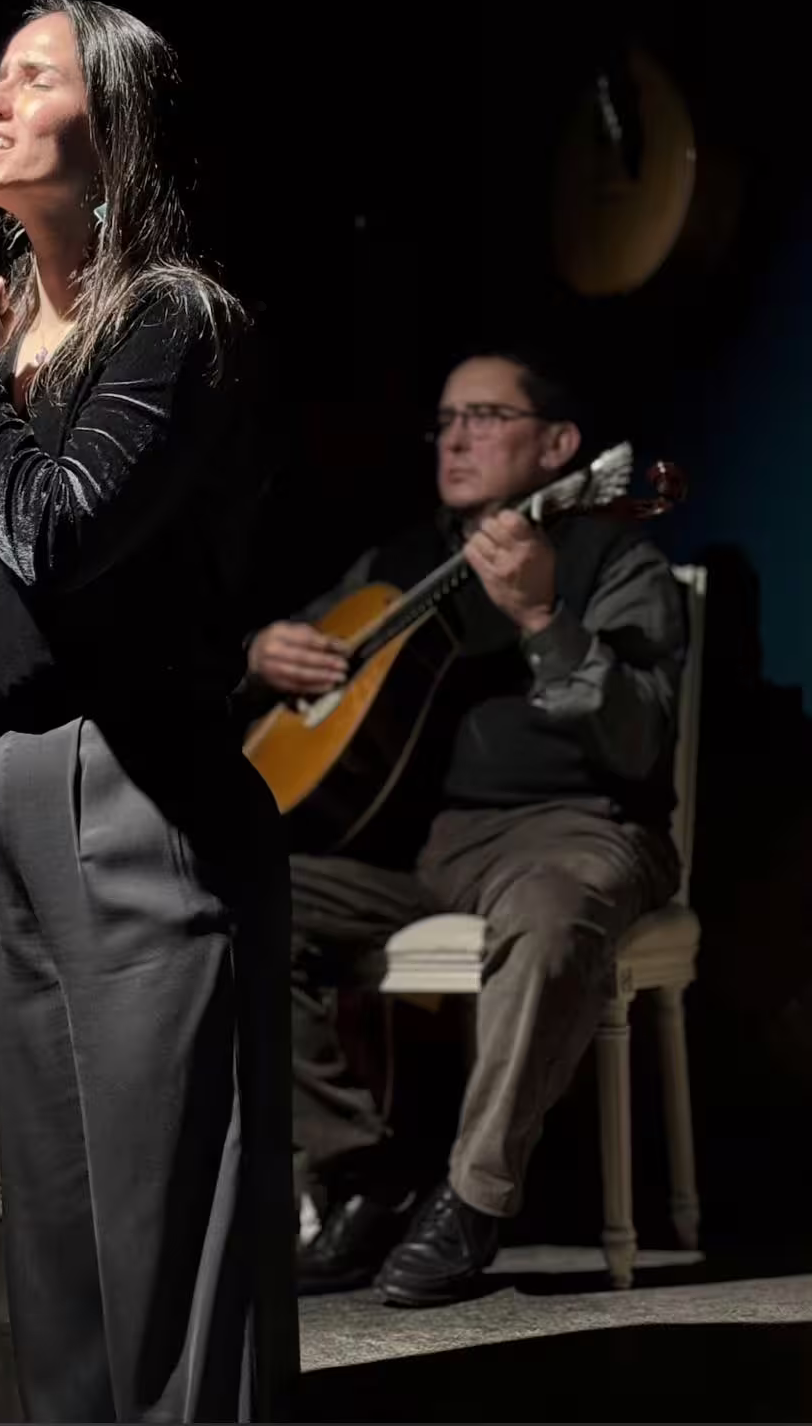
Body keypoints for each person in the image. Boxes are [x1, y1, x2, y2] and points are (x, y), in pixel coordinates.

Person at [0, 0, 296, 1423]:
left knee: (167, 1224)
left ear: (114, 136)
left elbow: (52, 533)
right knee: (50, 1230)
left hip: (143, 792)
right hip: (11, 787)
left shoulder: (171, 323)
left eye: (30, 78)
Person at [243, 351, 687, 1307]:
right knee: (228, 894)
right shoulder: (397, 565)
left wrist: (540, 617)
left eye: (486, 415)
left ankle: (473, 1199)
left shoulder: (618, 560)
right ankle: (364, 1172)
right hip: (424, 849)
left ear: (561, 447)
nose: (456, 437)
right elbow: (310, 652)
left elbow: (643, 741)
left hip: (575, 833)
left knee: (555, 911)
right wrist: (262, 653)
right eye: (446, 418)